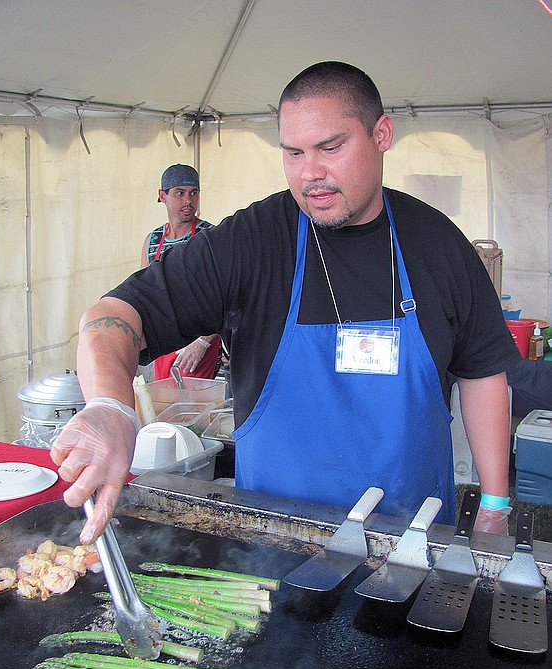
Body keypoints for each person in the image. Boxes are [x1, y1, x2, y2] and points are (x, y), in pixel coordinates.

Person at [51, 61, 521, 545]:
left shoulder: (438, 243)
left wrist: (493, 503)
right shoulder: (251, 242)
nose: (310, 174)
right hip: (272, 546)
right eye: (293, 153)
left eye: (330, 148)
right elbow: (110, 318)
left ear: (382, 133)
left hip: (412, 540)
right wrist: (110, 406)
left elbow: (482, 370)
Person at [140, 163, 220, 380]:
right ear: (162, 196)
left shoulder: (211, 237)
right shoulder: (152, 241)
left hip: (196, 342)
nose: (188, 200)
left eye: (194, 193)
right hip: (163, 342)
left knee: (195, 410)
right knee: (163, 406)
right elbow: (144, 296)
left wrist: (202, 342)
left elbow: (227, 298)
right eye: (180, 193)